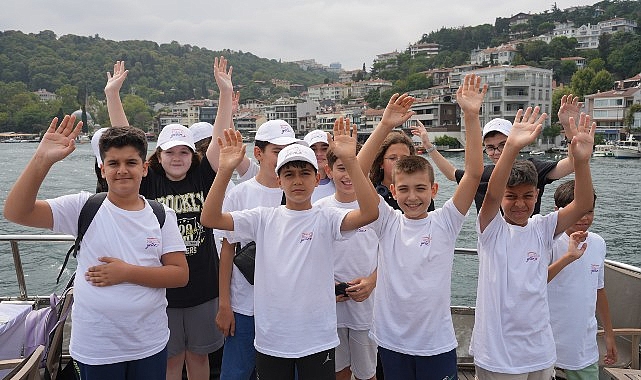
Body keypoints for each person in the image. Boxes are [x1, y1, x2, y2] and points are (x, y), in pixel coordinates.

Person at [3, 117, 188, 380]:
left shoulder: (161, 214)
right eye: (113, 163)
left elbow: (179, 274)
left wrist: (126, 273)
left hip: (149, 342)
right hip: (97, 346)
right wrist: (41, 161)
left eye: (131, 162)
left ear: (145, 168)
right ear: (102, 169)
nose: (122, 170)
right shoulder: (82, 207)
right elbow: (16, 212)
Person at [200, 118, 379, 380]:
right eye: (289, 174)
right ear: (280, 180)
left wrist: (351, 162)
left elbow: (369, 212)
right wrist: (225, 170)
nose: (297, 181)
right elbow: (210, 218)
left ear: (317, 179)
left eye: (305, 173)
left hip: (318, 337)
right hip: (273, 338)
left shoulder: (326, 217)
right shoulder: (262, 218)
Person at [105, 57, 233, 380]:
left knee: (200, 360)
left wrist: (224, 94)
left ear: (194, 155)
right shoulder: (148, 182)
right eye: (170, 152)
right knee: (171, 361)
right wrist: (112, 96)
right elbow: (124, 138)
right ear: (157, 156)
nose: (177, 158)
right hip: (162, 289)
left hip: (203, 286)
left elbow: (220, 136)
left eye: (184, 152)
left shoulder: (203, 177)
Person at [357, 73, 486, 379]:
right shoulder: (386, 222)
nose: (412, 197)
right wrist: (385, 125)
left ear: (433, 190)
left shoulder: (446, 221)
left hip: (435, 343)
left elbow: (473, 173)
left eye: (419, 189)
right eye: (403, 190)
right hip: (392, 341)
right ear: (392, 188)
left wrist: (470, 115)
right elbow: (358, 172)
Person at [471, 108, 596, 379]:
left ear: (537, 194)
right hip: (498, 355)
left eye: (528, 196)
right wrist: (512, 147)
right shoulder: (490, 229)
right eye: (511, 196)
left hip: (539, 351)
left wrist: (582, 162)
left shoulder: (542, 227)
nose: (519, 204)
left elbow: (583, 203)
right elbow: (492, 193)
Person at [215, 118, 306, 380]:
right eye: (277, 151)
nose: (283, 157)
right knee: (236, 372)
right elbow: (227, 251)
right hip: (246, 304)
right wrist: (224, 304)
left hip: (288, 307)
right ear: (258, 153)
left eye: (289, 149)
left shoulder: (300, 191)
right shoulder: (240, 194)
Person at [412, 94, 583, 214]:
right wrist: (428, 145)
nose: (497, 152)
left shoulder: (532, 169)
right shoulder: (482, 174)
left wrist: (568, 128)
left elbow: (571, 164)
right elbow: (451, 174)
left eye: (503, 145)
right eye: (491, 147)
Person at [313, 143, 378, 380]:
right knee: (337, 371)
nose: (348, 175)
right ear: (328, 171)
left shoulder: (376, 207)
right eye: (341, 168)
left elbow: (393, 255)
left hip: (366, 308)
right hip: (331, 308)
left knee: (367, 373)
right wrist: (325, 288)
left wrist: (372, 281)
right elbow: (310, 259)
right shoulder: (319, 209)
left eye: (354, 168)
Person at [547, 180, 617, 379]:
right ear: (557, 211)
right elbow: (533, 283)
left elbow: (599, 290)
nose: (584, 218)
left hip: (583, 348)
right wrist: (568, 258)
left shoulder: (598, 243)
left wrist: (609, 335)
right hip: (546, 347)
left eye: (589, 211)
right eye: (576, 211)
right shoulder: (547, 241)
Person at [305, 129, 336, 202]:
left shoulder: (342, 183)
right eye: (313, 149)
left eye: (324, 149)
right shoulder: (298, 186)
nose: (319, 153)